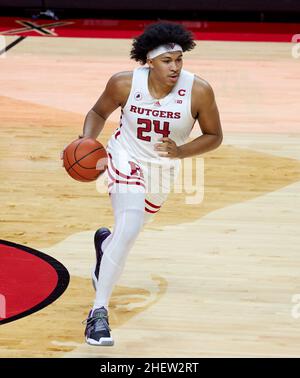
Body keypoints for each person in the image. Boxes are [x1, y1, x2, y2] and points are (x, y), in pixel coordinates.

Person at [78, 22, 223, 346]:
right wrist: (86, 141)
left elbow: (215, 136)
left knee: (129, 230)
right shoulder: (124, 83)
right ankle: (98, 314)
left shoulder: (199, 90)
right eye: (167, 61)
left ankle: (105, 246)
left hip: (162, 169)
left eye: (179, 59)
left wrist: (181, 151)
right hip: (124, 157)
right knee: (128, 229)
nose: (175, 66)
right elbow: (97, 112)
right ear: (149, 62)